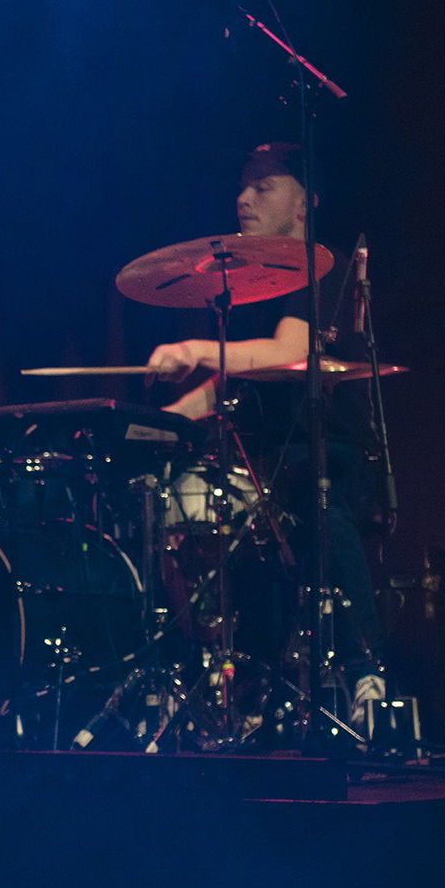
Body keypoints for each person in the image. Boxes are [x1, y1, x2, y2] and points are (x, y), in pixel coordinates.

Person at [145, 142, 384, 722]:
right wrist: (163, 424)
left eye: (263, 186)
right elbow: (235, 386)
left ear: (304, 206)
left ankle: (366, 674)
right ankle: (241, 679)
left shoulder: (315, 265)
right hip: (259, 452)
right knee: (171, 506)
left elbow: (287, 352)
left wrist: (195, 349)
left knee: (318, 505)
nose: (243, 198)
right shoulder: (245, 285)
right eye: (242, 186)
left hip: (318, 447)